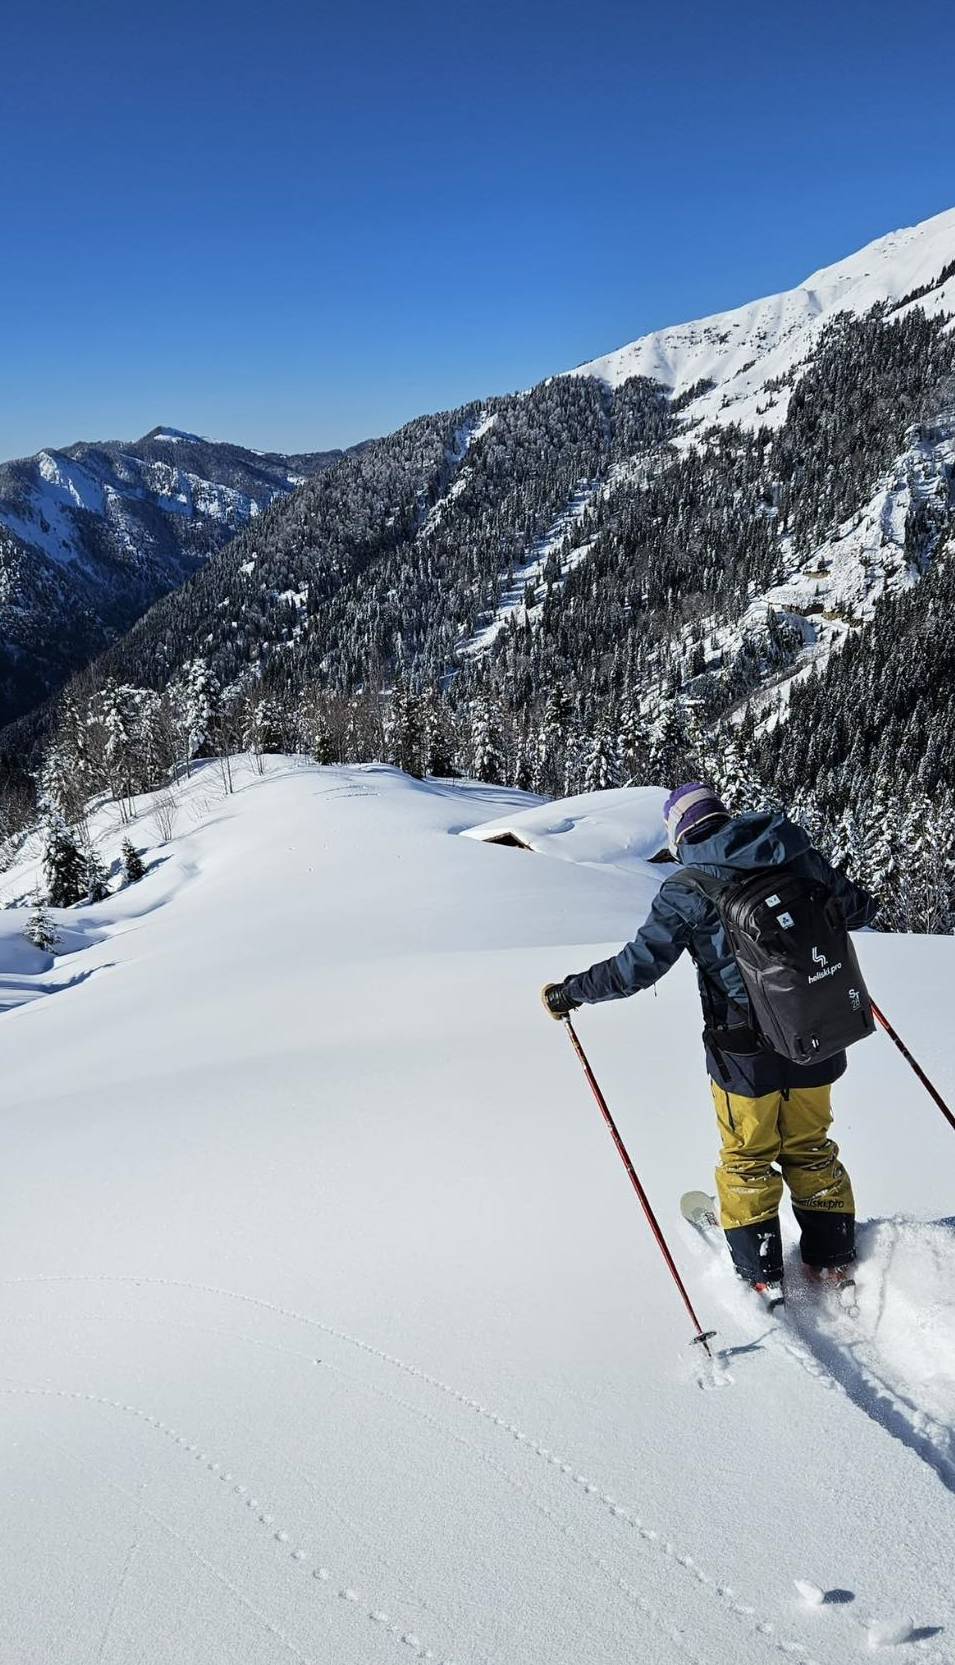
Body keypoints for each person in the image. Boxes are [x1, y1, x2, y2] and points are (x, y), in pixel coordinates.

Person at [541, 782, 878, 1300]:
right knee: (811, 1147)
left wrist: (571, 992)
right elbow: (858, 910)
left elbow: (636, 970)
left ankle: (763, 1275)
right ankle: (831, 1263)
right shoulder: (792, 852)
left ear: (680, 836)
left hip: (742, 1049)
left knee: (747, 1156)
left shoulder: (687, 888)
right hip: (819, 1034)